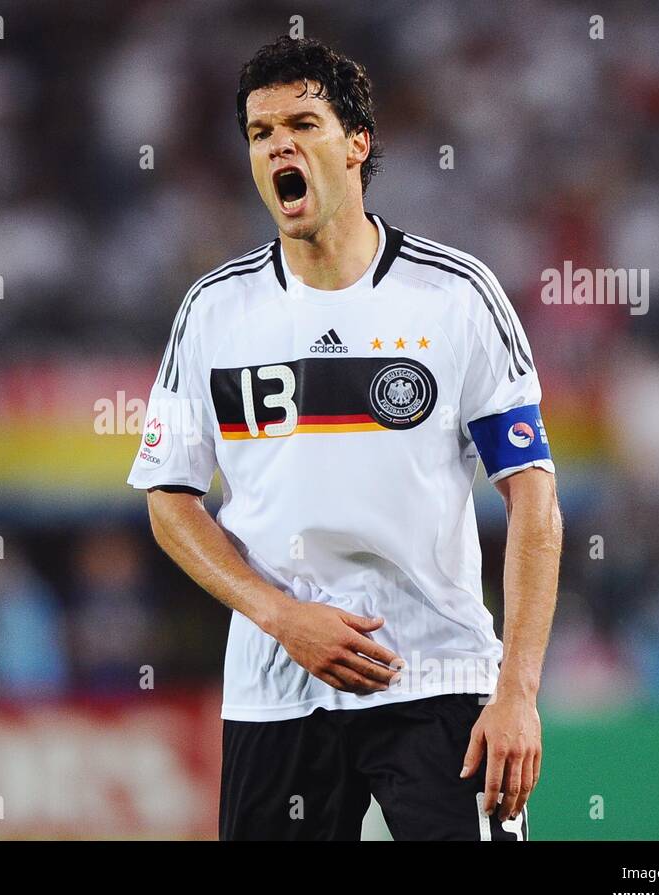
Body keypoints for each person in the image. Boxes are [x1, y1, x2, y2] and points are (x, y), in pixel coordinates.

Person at [126, 36, 563, 840]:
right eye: (261, 134)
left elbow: (533, 493)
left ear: (357, 142)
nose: (279, 145)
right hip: (276, 687)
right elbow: (169, 497)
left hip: (439, 679)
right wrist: (279, 614)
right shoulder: (215, 312)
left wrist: (518, 691)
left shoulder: (455, 296)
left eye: (303, 122)